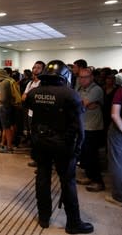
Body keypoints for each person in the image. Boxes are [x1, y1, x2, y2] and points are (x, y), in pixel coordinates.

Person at [25, 60, 94, 234]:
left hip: (41, 143)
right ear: (65, 76)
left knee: (42, 179)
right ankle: (73, 222)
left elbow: (29, 120)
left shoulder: (33, 93)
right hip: (64, 145)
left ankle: (43, 217)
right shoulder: (71, 95)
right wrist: (78, 148)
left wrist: (33, 140)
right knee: (67, 182)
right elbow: (80, 128)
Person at [106, 84, 122, 206]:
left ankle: (118, 196)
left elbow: (114, 114)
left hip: (118, 130)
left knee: (117, 162)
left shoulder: (120, 91)